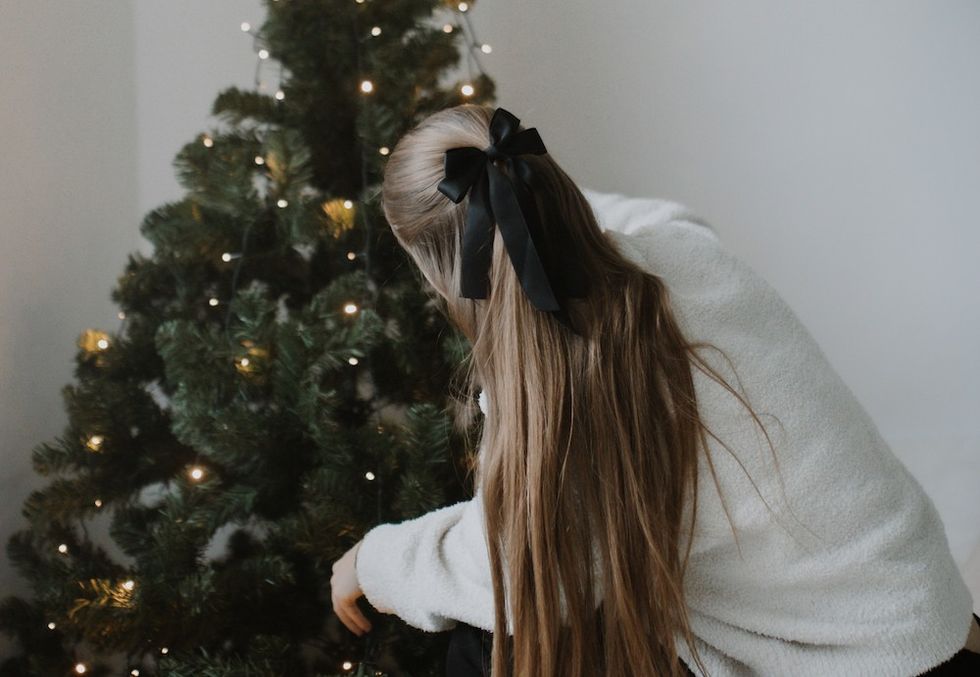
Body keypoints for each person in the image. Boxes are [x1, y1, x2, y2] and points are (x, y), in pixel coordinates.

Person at [329, 103, 980, 676]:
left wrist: (375, 559)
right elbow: (657, 217)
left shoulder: (564, 393)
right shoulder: (690, 256)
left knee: (487, 643)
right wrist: (537, 206)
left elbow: (513, 569)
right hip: (934, 618)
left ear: (443, 276)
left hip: (862, 662)